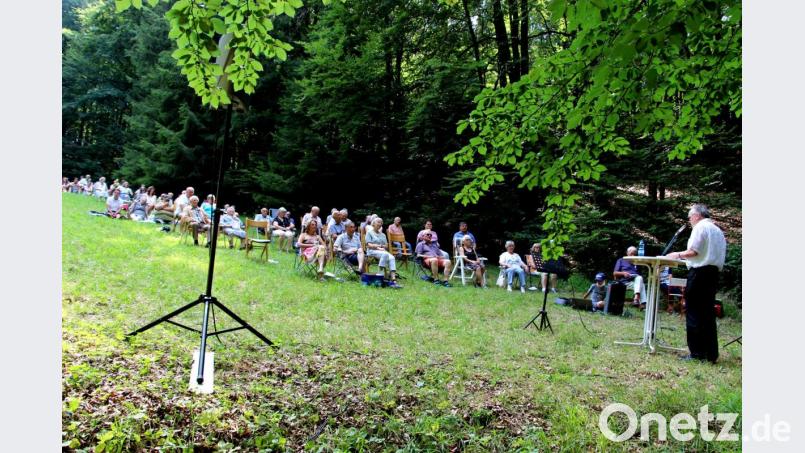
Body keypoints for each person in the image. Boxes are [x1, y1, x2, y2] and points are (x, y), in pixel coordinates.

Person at [665, 204, 726, 363]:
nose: (689, 220)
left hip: (699, 274)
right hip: (713, 274)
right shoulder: (718, 230)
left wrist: (676, 255)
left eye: (690, 216)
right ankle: (711, 354)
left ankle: (697, 354)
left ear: (697, 216)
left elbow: (694, 251)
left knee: (693, 312)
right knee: (707, 314)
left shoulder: (700, 227)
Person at [365, 217, 399, 282]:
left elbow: (386, 246)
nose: (380, 224)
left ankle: (393, 277)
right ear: (373, 223)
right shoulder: (369, 233)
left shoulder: (383, 235)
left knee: (392, 257)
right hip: (372, 251)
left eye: (381, 222)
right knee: (385, 254)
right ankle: (380, 275)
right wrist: (378, 247)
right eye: (378, 222)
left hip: (382, 251)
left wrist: (381, 247)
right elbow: (369, 245)